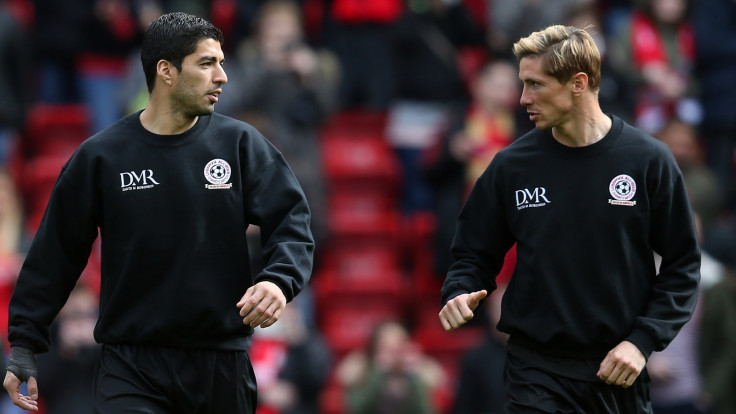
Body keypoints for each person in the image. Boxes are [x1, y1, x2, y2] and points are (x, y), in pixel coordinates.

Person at [3, 11, 314, 414]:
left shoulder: (241, 145)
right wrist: (25, 344)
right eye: (207, 63)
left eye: (221, 62)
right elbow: (55, 254)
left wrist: (277, 280)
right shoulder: (102, 156)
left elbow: (293, 222)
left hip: (221, 362)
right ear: (166, 71)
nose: (222, 76)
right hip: (130, 366)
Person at [439, 24, 701, 413]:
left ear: (578, 83)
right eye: (522, 83)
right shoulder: (512, 166)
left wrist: (641, 341)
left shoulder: (648, 161)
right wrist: (459, 289)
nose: (523, 97)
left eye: (536, 84)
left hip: (619, 368)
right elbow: (473, 253)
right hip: (536, 370)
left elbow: (682, 265)